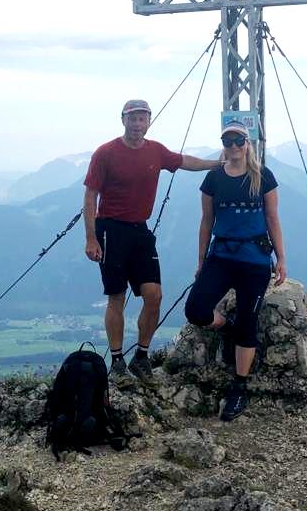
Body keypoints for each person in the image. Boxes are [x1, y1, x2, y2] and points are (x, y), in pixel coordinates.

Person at [83, 99, 220, 383]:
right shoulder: (105, 153)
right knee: (116, 297)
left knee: (154, 295)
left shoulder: (156, 151)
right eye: (132, 118)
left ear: (148, 121)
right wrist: (91, 238)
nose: (137, 123)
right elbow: (90, 196)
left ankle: (142, 356)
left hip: (140, 231)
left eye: (142, 118)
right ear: (123, 120)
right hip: (110, 230)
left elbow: (184, 161)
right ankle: (118, 360)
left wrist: (217, 165)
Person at [184, 120, 286, 422]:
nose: (233, 147)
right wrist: (201, 260)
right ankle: (227, 327)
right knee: (196, 309)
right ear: (223, 146)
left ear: (247, 144)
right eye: (228, 142)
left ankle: (239, 386)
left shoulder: (263, 176)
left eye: (239, 141)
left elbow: (272, 218)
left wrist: (281, 259)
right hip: (221, 256)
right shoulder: (213, 178)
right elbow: (206, 221)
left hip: (255, 259)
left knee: (248, 320)